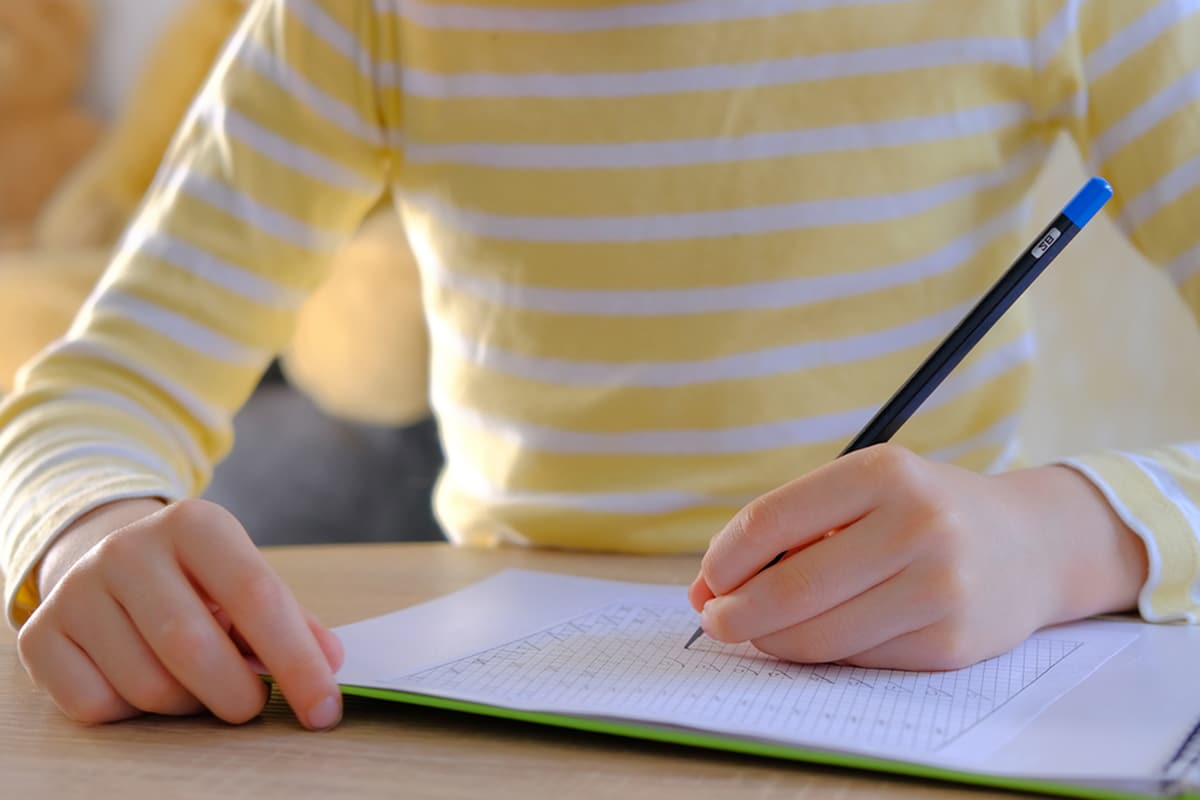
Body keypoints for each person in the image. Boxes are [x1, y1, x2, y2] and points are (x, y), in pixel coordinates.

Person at [3, 0, 1197, 734]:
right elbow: (96, 384)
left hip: (929, 710)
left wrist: (1064, 536)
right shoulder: (361, 15)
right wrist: (90, 522)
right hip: (514, 731)